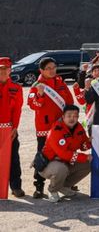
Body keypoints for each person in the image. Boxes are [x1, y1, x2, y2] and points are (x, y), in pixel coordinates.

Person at [27, 57, 74, 199]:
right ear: (41, 70)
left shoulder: (60, 82)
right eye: (48, 68)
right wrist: (40, 95)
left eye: (53, 67)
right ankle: (39, 186)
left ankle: (66, 183)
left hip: (61, 127)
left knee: (65, 153)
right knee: (42, 156)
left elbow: (70, 102)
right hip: (45, 128)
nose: (52, 70)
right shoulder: (36, 85)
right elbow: (33, 105)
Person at [39, 104, 91, 203]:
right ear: (63, 116)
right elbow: (63, 154)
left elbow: (83, 146)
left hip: (66, 162)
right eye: (69, 116)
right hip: (49, 163)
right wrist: (85, 157)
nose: (72, 118)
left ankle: (63, 186)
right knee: (61, 169)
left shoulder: (79, 127)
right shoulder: (56, 129)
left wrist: (90, 142)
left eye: (75, 116)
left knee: (89, 164)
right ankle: (53, 190)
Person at [0, 57, 24, 197]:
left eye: (6, 69)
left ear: (10, 70)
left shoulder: (16, 88)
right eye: (0, 69)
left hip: (9, 129)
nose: (3, 72)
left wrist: (15, 127)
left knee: (13, 159)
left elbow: (17, 110)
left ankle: (16, 186)